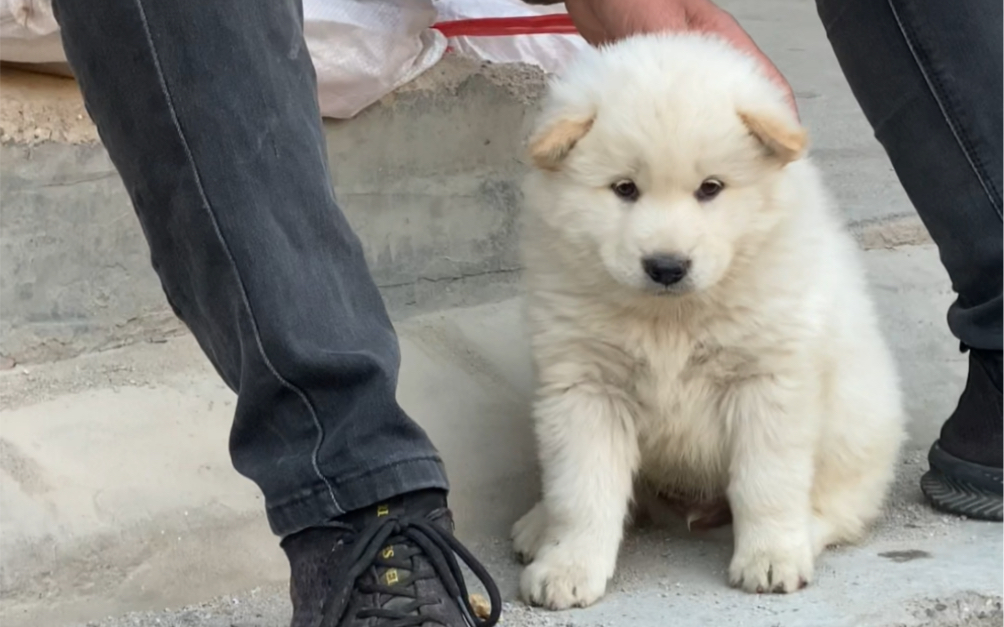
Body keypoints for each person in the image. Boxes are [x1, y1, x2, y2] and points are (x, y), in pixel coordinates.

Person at [50, 0, 1000, 625]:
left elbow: (782, 380)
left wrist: (778, 521)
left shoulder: (770, 230)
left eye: (709, 188)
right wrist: (587, 525)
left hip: (781, 465)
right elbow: (583, 393)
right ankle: (359, 508)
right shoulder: (578, 189)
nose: (667, 237)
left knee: (782, 385)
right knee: (589, 387)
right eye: (624, 189)